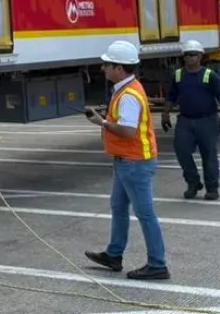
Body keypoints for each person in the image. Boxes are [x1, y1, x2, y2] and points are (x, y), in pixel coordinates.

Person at [83, 40, 170, 281]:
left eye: (107, 64)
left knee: (145, 214)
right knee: (119, 207)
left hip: (134, 162)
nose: (103, 69)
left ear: (119, 68)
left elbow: (128, 132)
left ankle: (157, 264)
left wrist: (101, 122)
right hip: (128, 161)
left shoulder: (128, 95)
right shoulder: (128, 88)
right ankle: (113, 254)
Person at [160, 39, 220, 200]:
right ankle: (193, 182)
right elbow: (171, 96)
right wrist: (165, 114)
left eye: (192, 54)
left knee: (209, 155)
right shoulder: (178, 75)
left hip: (207, 120)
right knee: (182, 150)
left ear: (200, 56)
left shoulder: (209, 75)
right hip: (185, 120)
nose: (189, 58)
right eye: (186, 55)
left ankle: (212, 188)